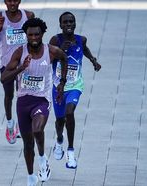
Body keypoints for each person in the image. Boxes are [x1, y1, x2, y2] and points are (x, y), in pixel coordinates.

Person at [1, 18, 68, 186]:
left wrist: (62, 82)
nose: (33, 38)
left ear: (42, 34)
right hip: (23, 102)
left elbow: (64, 58)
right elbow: (3, 79)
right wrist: (21, 68)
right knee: (28, 143)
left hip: (42, 100)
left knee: (37, 129)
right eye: (30, 35)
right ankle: (31, 176)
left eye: (37, 34)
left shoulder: (51, 51)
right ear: (26, 35)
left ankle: (43, 158)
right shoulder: (19, 53)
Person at [49, 11, 101, 169]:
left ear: (75, 23)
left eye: (71, 22)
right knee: (60, 121)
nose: (68, 25)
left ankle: (71, 152)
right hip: (58, 88)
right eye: (65, 22)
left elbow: (84, 49)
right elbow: (48, 59)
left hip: (75, 86)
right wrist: (61, 50)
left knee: (69, 112)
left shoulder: (81, 39)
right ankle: (59, 140)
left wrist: (93, 60)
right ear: (60, 25)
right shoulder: (55, 40)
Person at [0, 0, 34, 144]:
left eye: (15, 0)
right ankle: (10, 123)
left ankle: (21, 123)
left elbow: (35, 38)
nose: (12, 3)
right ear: (5, 1)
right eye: (9, 0)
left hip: (24, 64)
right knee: (9, 95)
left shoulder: (29, 16)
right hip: (6, 65)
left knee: (23, 95)